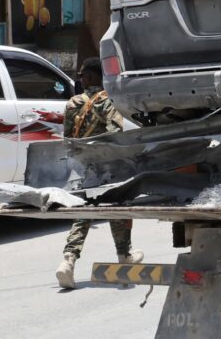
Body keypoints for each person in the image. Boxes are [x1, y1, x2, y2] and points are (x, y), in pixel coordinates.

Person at [55, 58, 143, 290]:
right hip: (107, 166)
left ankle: (68, 261)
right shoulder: (106, 101)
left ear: (92, 76)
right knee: (118, 208)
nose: (81, 78)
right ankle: (124, 257)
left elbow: (68, 139)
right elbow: (116, 133)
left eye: (83, 74)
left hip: (84, 167)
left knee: (83, 212)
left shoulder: (73, 103)